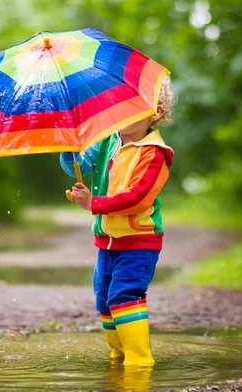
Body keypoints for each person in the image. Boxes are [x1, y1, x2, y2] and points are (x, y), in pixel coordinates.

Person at [60, 76, 175, 366]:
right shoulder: (109, 141)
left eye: (135, 108)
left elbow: (138, 198)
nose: (125, 113)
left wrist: (93, 204)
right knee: (104, 298)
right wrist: (69, 149)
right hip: (108, 242)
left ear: (156, 113)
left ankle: (139, 360)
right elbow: (81, 164)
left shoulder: (153, 153)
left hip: (139, 242)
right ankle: (119, 354)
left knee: (124, 294)